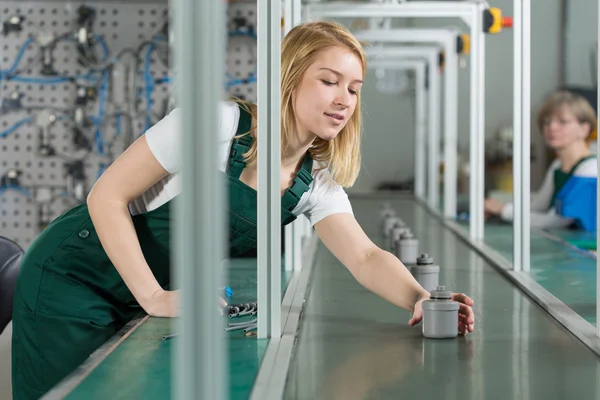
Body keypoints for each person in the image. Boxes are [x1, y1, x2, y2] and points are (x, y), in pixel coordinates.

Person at [11, 21, 476, 399]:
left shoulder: (315, 182)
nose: (344, 100)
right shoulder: (217, 125)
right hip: (71, 277)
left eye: (354, 89)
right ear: (289, 80)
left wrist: (420, 297)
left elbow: (366, 257)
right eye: (329, 81)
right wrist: (154, 297)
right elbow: (105, 196)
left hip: (136, 289)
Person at [485, 90, 598, 231]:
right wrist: (497, 207)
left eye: (563, 122)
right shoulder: (557, 166)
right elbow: (538, 207)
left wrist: (504, 210)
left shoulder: (590, 170)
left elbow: (556, 221)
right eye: (547, 122)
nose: (552, 127)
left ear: (584, 129)